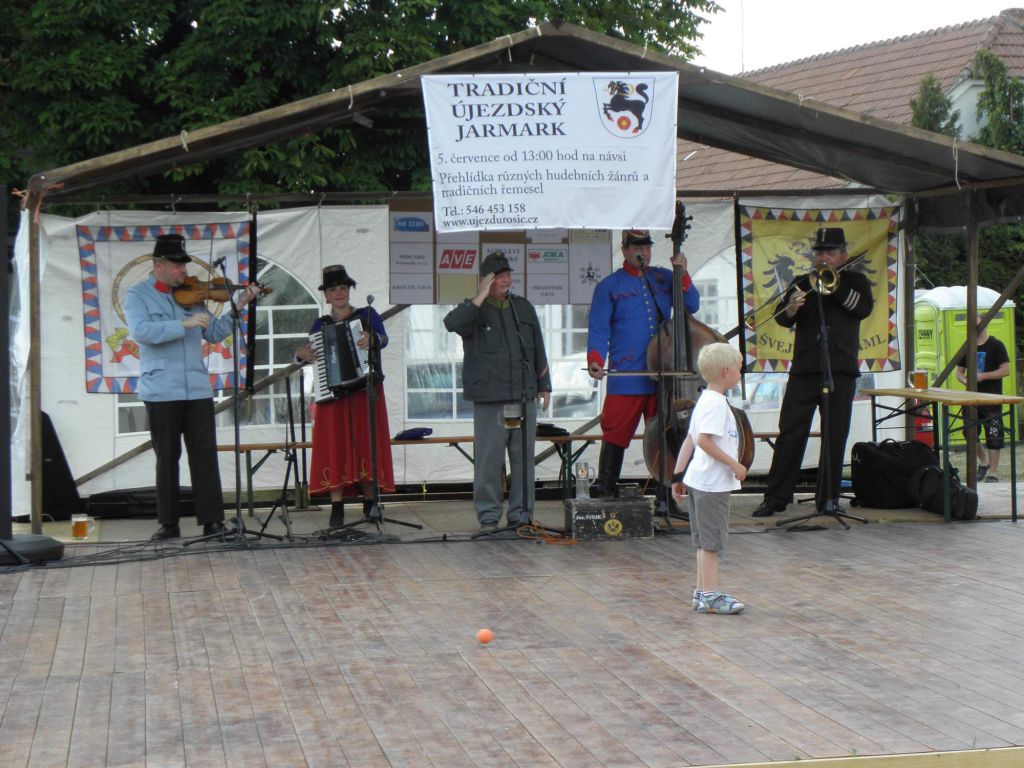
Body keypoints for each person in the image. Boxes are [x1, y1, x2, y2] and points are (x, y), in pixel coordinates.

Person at [124, 234, 260, 541]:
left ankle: (212, 522)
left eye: (184, 265)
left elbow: (214, 333)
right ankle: (168, 524)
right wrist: (182, 324)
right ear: (159, 265)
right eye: (177, 265)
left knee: (204, 456)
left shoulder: (193, 295)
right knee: (167, 458)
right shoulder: (138, 295)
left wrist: (239, 305)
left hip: (197, 388)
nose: (183, 270)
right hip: (161, 389)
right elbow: (141, 332)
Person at [752, 226, 874, 517]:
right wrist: (792, 308)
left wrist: (834, 285)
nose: (823, 258)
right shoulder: (801, 282)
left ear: (843, 255)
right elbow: (781, 318)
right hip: (805, 369)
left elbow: (862, 309)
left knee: (835, 435)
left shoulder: (855, 281)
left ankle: (828, 498)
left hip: (839, 370)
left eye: (829, 253)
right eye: (819, 252)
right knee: (790, 433)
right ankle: (776, 498)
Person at [586, 228, 699, 497]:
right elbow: (599, 329)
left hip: (662, 374)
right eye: (638, 248)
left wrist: (683, 274)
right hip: (628, 373)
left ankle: (666, 494)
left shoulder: (663, 277)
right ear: (624, 250)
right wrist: (596, 359)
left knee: (665, 434)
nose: (644, 253)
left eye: (647, 248)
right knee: (615, 432)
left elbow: (692, 305)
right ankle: (606, 488)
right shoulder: (609, 286)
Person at [444, 252, 552, 530]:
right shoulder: (473, 310)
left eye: (507, 275)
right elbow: (451, 323)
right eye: (499, 276)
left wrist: (544, 385)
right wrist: (479, 296)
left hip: (523, 396)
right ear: (486, 280)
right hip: (490, 399)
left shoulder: (522, 307)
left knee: (523, 459)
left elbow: (538, 346)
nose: (506, 280)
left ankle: (521, 515)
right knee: (489, 461)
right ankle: (489, 516)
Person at [295, 265, 395, 528]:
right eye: (333, 290)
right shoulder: (320, 325)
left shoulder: (368, 315)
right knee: (335, 446)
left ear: (349, 290)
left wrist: (372, 339)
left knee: (366, 443)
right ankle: (336, 508)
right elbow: (307, 354)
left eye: (343, 288)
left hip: (365, 391)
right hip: (333, 394)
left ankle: (371, 503)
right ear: (326, 296)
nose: (339, 293)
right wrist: (299, 355)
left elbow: (384, 339)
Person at [672, 343, 747, 614]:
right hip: (712, 485)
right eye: (738, 368)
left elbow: (690, 440)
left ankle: (703, 592)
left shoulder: (705, 400)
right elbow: (703, 440)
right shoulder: (716, 404)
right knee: (712, 543)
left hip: (698, 480)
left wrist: (677, 475)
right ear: (726, 372)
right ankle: (710, 596)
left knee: (704, 542)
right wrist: (734, 464)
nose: (740, 373)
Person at [955, 312, 1010, 483]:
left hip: (992, 398)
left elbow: (1005, 370)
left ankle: (994, 472)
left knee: (994, 434)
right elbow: (959, 373)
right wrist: (966, 381)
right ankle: (984, 462)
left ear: (985, 325)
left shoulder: (996, 345)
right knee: (969, 432)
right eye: (971, 325)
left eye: (977, 324)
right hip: (971, 398)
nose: (974, 328)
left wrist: (983, 376)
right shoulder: (967, 346)